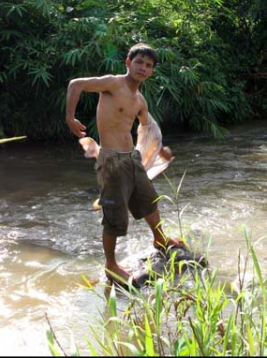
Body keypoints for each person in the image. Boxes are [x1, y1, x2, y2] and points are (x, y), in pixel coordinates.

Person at [65, 43, 183, 287]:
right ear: (128, 62)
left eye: (148, 65)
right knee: (115, 215)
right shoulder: (112, 83)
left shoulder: (140, 100)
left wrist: (160, 151)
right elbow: (76, 84)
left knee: (149, 200)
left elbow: (147, 126)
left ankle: (160, 240)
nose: (143, 67)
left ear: (151, 72)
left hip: (132, 158)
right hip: (111, 160)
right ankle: (111, 265)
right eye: (139, 62)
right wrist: (69, 118)